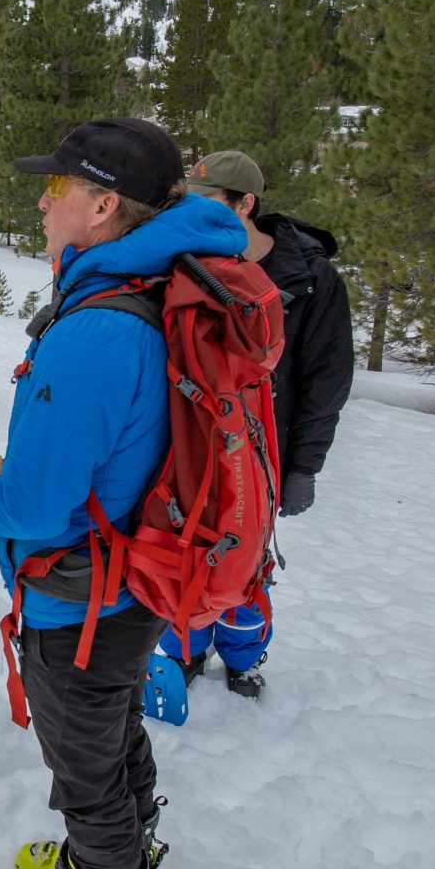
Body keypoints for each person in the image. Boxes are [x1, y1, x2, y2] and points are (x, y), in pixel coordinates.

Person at [0, 119, 247, 869]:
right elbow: (110, 453)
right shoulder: (142, 295)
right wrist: (14, 465)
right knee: (113, 728)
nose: (42, 203)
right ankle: (122, 849)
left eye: (56, 189)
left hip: (82, 596)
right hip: (133, 577)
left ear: (103, 205)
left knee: (82, 757)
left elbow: (42, 510)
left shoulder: (94, 331)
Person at [158, 149, 355, 698]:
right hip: (191, 448)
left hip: (264, 453)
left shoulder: (310, 278)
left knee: (245, 567)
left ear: (246, 204)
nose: (193, 219)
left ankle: (242, 657)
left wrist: (304, 468)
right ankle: (184, 650)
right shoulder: (182, 262)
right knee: (186, 551)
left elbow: (326, 380)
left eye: (210, 205)